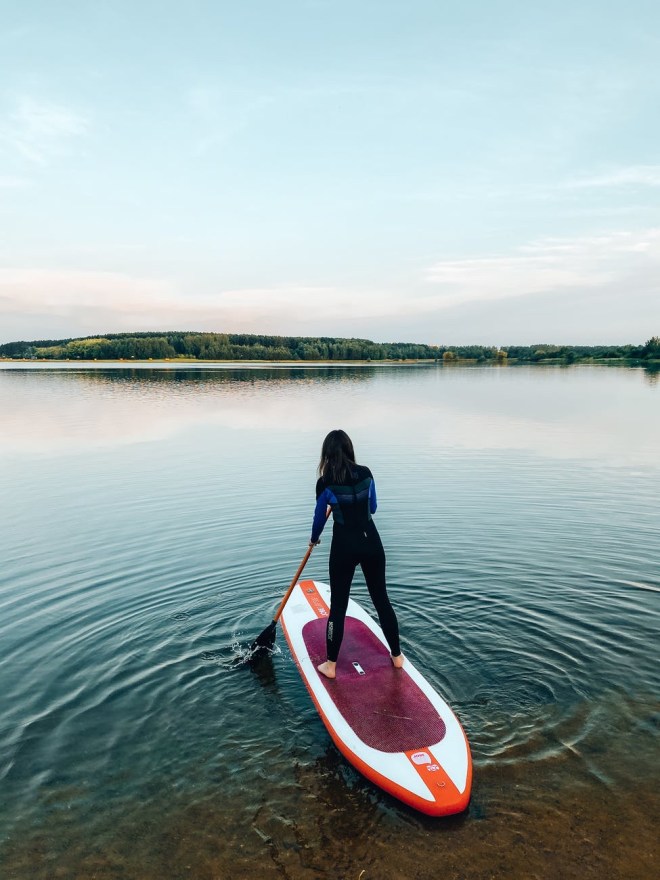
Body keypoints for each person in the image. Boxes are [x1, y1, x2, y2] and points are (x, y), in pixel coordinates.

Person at [310, 429, 404, 679]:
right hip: (371, 541)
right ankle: (397, 657)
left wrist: (314, 538)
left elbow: (319, 518)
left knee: (338, 606)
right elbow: (372, 507)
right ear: (350, 449)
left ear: (327, 454)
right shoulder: (366, 473)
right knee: (381, 599)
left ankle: (330, 665)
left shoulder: (325, 482)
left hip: (344, 546)